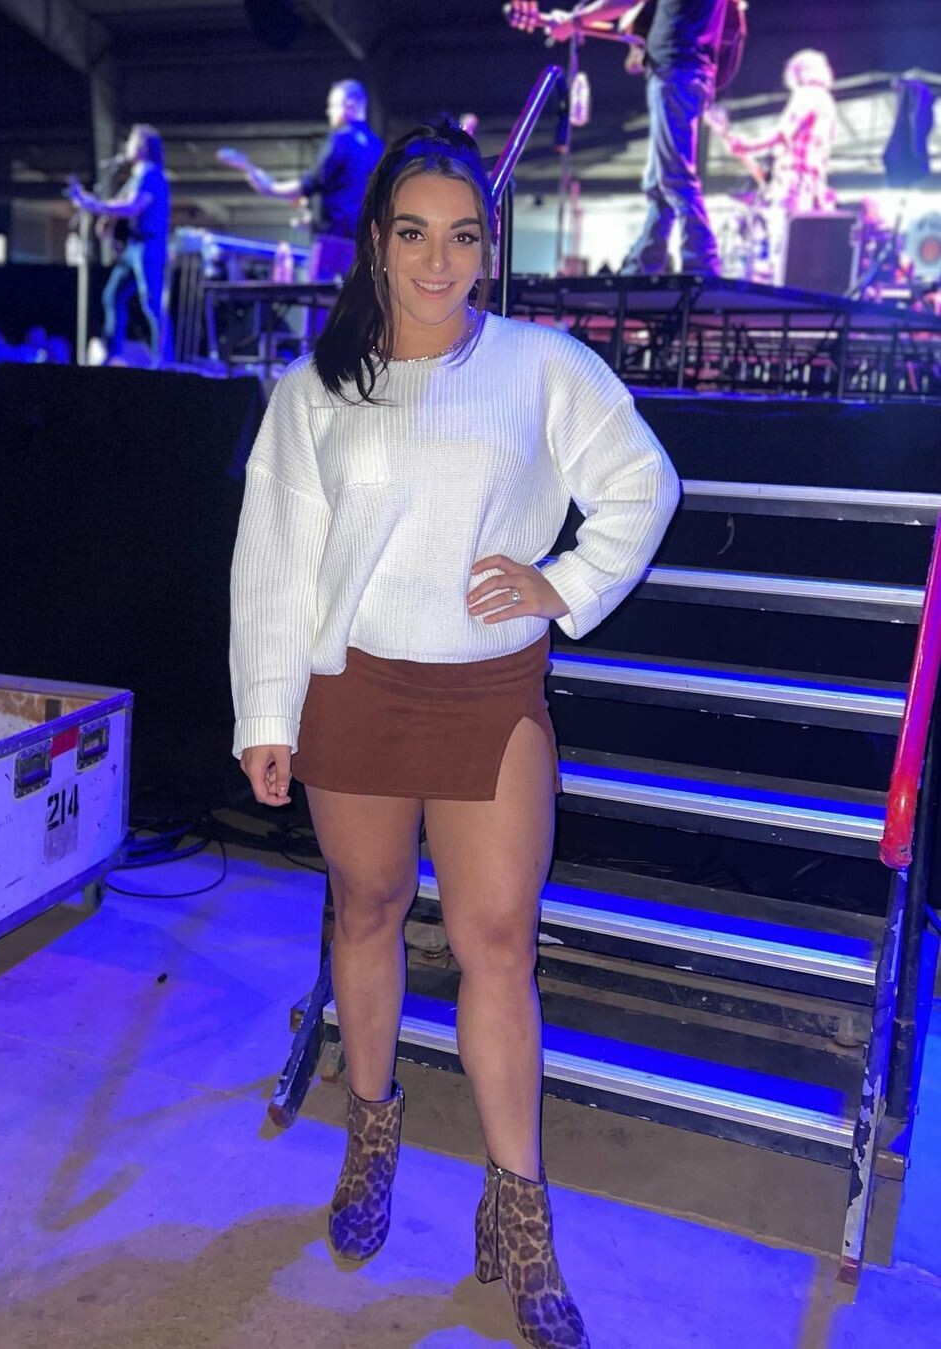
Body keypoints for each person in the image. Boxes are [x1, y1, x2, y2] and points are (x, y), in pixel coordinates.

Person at [229, 119, 679, 1349]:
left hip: (490, 691)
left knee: (497, 942)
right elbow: (273, 558)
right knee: (367, 911)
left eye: (464, 236)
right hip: (355, 687)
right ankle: (371, 1134)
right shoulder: (317, 389)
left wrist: (563, 582)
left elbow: (644, 482)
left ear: (491, 247)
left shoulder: (541, 365)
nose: (440, 261)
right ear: (377, 241)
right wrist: (266, 712)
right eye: (416, 233)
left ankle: (518, 1208)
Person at [548, 0, 727, 276]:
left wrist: (575, 20)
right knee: (659, 180)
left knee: (676, 175)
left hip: (676, 70)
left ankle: (703, 263)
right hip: (687, 70)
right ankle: (644, 262)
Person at [217, 80, 383, 283]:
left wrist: (266, 184)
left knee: (322, 296)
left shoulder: (340, 139)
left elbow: (309, 184)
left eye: (333, 106)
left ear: (350, 105)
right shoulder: (377, 147)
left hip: (332, 241)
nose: (329, 112)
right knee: (359, 296)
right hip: (365, 243)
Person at [724, 49, 837, 285]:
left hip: (793, 182)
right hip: (814, 185)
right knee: (803, 250)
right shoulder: (828, 101)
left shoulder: (806, 95)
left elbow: (783, 134)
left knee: (782, 246)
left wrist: (747, 145)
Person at [70, 124, 171, 363]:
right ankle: (112, 353)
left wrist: (96, 206)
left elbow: (133, 206)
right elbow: (121, 205)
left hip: (148, 246)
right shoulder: (137, 176)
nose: (126, 146)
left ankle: (164, 360)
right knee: (113, 295)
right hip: (134, 247)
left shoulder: (151, 174)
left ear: (142, 147)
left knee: (152, 304)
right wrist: (106, 220)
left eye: (131, 141)